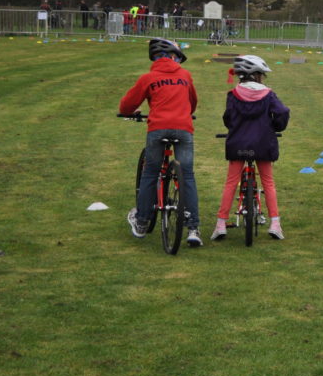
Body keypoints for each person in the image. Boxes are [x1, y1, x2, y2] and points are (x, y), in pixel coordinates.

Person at [119, 38, 202, 246]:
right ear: (174, 57)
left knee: (151, 172)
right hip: (183, 128)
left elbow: (127, 104)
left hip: (158, 128)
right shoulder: (185, 75)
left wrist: (130, 113)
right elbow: (192, 103)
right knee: (188, 175)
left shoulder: (149, 77)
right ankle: (193, 228)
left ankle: (142, 222)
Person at [212, 55, 291, 242]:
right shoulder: (269, 94)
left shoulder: (233, 95)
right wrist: (275, 127)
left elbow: (228, 119)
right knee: (268, 183)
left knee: (231, 183)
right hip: (263, 143)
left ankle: (221, 224)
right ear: (256, 76)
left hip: (238, 143)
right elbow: (282, 112)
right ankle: (275, 224)